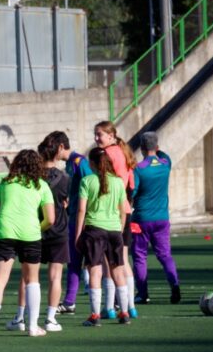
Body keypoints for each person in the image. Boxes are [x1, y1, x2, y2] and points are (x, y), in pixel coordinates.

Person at [0, 150, 55, 340]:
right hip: (30, 234)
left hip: (4, 232)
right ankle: (32, 326)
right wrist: (37, 228)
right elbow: (50, 219)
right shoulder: (42, 185)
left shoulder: (5, 182)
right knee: (32, 280)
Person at [10, 132, 71, 333]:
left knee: (26, 277)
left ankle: (20, 317)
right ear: (58, 150)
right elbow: (66, 203)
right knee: (55, 276)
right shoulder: (65, 178)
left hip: (33, 229)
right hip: (58, 229)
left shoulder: (31, 177)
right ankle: (50, 318)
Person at [75, 147, 132, 326]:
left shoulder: (87, 181)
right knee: (118, 272)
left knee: (95, 271)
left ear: (92, 163)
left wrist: (78, 234)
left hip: (94, 230)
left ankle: (95, 316)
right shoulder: (117, 182)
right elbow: (124, 210)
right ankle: (124, 313)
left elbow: (81, 210)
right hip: (114, 231)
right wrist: (120, 229)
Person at [94, 120, 138, 319]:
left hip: (109, 213)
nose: (96, 138)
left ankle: (110, 307)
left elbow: (106, 184)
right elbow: (131, 183)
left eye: (100, 134)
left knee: (107, 263)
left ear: (111, 136)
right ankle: (129, 306)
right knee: (122, 260)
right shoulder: (124, 153)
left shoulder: (107, 155)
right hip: (124, 210)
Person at [131, 132, 181, 304]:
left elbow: (132, 191)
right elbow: (164, 155)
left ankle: (143, 293)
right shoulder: (165, 164)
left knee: (139, 256)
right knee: (165, 255)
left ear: (142, 148)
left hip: (141, 219)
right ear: (157, 147)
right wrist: (157, 152)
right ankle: (175, 285)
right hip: (162, 218)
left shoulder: (138, 169)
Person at [58, 140, 94, 315]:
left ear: (60, 146)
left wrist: (85, 209)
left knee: (95, 262)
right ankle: (70, 301)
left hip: (85, 219)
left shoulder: (79, 161)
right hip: (74, 216)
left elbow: (90, 183)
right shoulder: (70, 163)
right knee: (74, 261)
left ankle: (114, 301)